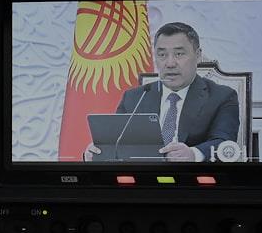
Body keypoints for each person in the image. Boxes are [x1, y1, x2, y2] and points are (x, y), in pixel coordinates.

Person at [84, 22, 239, 163]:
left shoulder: (222, 96)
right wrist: (97, 152)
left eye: (179, 54)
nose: (170, 63)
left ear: (198, 55)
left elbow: (225, 144)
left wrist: (194, 154)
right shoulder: (134, 97)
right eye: (162, 55)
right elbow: (116, 143)